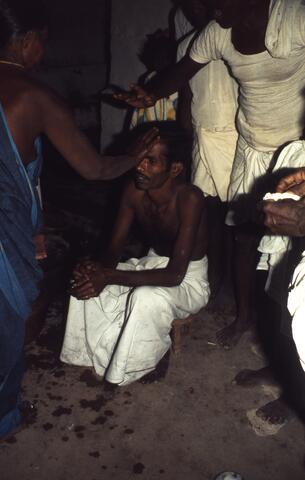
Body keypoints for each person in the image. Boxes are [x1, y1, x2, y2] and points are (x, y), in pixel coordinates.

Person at [0, 0, 158, 439]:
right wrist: (135, 154)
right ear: (28, 41)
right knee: (9, 322)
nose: (43, 54)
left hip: (12, 221)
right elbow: (95, 169)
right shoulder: (34, 96)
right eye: (43, 44)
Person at [116, 0, 305, 348]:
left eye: (215, 1)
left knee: (295, 252)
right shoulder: (217, 31)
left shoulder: (292, 16)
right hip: (252, 148)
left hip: (297, 154)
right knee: (244, 238)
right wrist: (151, 93)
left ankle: (285, 353)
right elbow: (182, 71)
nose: (209, 10)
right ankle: (246, 316)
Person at [60, 123, 210, 386]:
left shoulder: (190, 199)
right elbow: (113, 250)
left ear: (174, 168)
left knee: (146, 297)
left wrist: (108, 275)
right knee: (86, 275)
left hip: (188, 280)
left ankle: (139, 364)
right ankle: (88, 352)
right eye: (138, 158)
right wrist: (97, 269)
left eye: (151, 161)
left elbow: (175, 275)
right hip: (151, 264)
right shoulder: (133, 191)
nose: (139, 167)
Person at [175, 0, 238, 294]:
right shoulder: (185, 46)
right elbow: (186, 95)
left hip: (234, 136)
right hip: (202, 137)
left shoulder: (232, 36)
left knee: (236, 213)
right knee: (204, 208)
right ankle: (208, 275)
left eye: (201, 4)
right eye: (190, 6)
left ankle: (232, 277)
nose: (196, 10)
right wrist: (185, 132)